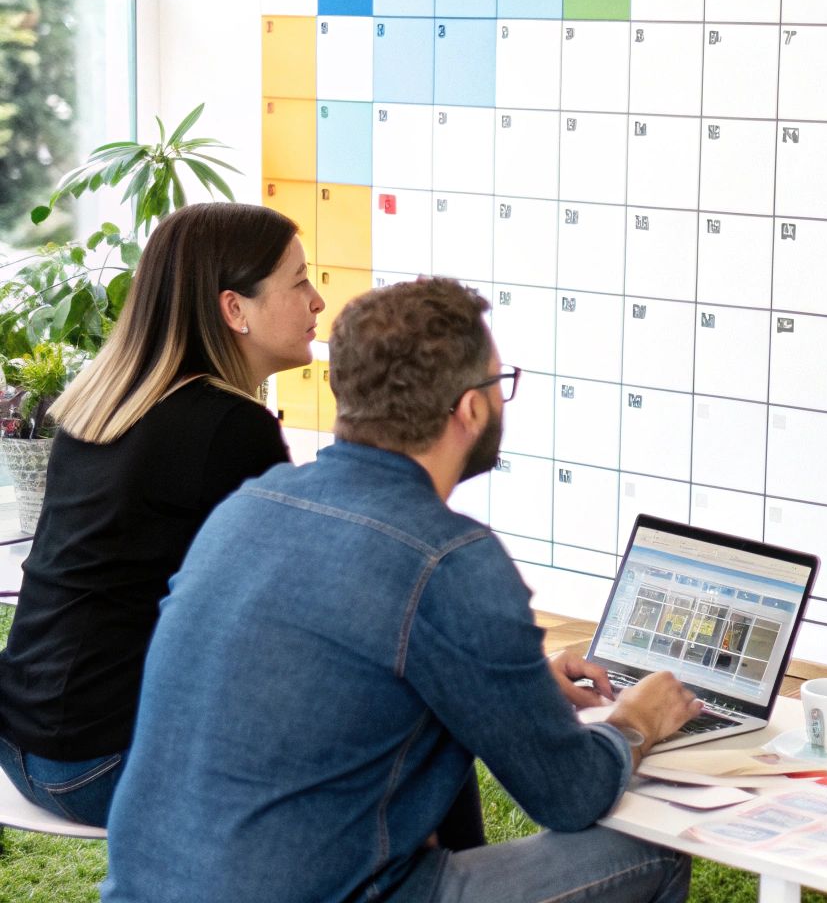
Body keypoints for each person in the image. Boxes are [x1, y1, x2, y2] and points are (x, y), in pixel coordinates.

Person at [103, 277, 702, 903]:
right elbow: (570, 794)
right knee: (652, 853)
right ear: (470, 409)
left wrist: (519, 685)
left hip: (142, 891)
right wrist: (634, 723)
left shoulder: (246, 508)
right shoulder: (450, 560)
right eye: (499, 384)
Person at [0, 202, 320, 826]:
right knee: (392, 725)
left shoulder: (104, 403)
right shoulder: (230, 428)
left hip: (24, 741)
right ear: (235, 309)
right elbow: (292, 611)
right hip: (106, 765)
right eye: (300, 280)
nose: (317, 301)